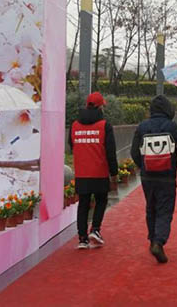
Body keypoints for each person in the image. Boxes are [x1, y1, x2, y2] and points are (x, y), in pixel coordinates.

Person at [130, 94, 177, 264]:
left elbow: (134, 152)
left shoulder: (142, 126)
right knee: (165, 209)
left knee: (151, 207)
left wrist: (144, 165)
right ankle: (158, 242)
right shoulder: (172, 126)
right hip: (167, 176)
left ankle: (152, 238)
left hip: (148, 177)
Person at [69, 91, 118, 249]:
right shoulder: (105, 126)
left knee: (83, 203)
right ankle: (95, 229)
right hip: (99, 171)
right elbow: (110, 152)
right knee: (101, 200)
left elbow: (72, 146)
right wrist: (114, 173)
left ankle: (82, 238)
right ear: (100, 107)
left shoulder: (74, 126)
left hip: (82, 172)